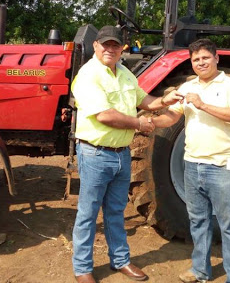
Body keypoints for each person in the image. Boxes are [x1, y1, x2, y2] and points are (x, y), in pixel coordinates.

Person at [71, 25, 183, 283]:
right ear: (96, 46)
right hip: (95, 155)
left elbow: (145, 101)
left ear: (122, 48)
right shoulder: (88, 75)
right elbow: (104, 115)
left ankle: (120, 260)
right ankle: (82, 269)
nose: (110, 49)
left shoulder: (125, 74)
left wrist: (166, 100)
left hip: (122, 155)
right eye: (105, 44)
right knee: (88, 213)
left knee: (115, 211)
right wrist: (139, 124)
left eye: (115, 45)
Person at [151, 38, 230, 283]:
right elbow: (172, 118)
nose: (201, 62)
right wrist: (147, 121)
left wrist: (202, 104)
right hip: (192, 166)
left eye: (205, 57)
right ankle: (200, 270)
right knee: (198, 221)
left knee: (229, 224)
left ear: (217, 58)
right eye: (196, 59)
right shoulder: (186, 87)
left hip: (223, 166)